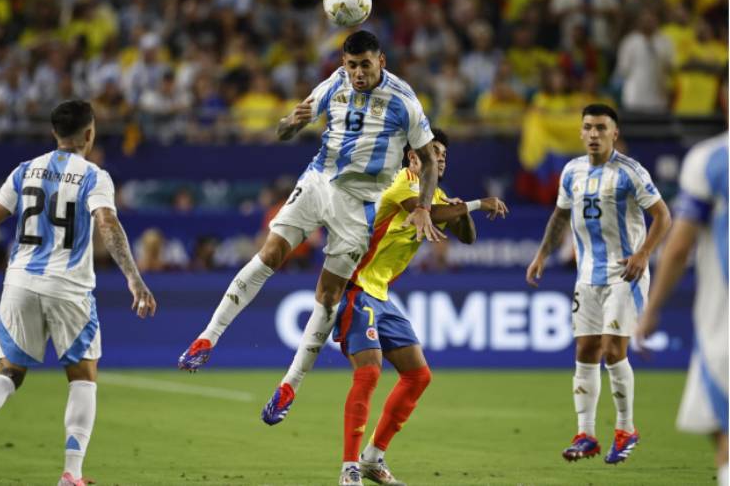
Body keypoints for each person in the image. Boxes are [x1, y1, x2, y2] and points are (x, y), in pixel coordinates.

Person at [177, 31, 443, 393]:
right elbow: (283, 129)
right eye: (352, 65)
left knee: (330, 295)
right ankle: (208, 337)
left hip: (359, 203)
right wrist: (291, 123)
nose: (358, 73)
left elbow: (428, 159)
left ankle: (290, 384)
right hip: (319, 180)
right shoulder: (335, 83)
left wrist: (425, 208)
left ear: (381, 61)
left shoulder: (404, 102)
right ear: (343, 65)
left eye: (366, 64)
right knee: (270, 253)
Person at [265, 128, 508, 485]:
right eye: (433, 151)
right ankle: (348, 468)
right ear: (413, 157)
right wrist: (473, 204)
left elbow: (467, 237)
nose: (440, 158)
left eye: (443, 154)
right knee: (369, 372)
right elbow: (429, 211)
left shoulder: (435, 194)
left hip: (380, 294)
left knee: (418, 375)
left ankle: (373, 458)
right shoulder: (400, 183)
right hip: (354, 286)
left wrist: (459, 209)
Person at [0, 100, 157, 486]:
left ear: (54, 133)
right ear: (89, 134)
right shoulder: (94, 175)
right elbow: (106, 222)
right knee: (83, 376)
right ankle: (71, 473)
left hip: (19, 282)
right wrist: (134, 278)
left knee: (8, 373)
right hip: (69, 286)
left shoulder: (24, 171)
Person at [526, 103, 671, 464]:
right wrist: (542, 254)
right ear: (580, 132)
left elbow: (663, 216)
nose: (594, 134)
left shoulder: (630, 172)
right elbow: (560, 214)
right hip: (587, 275)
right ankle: (586, 435)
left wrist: (643, 254)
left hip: (626, 272)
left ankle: (626, 429)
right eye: (588, 127)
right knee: (586, 351)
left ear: (614, 133)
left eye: (601, 128)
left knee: (611, 349)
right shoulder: (572, 171)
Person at [636, 131, 728, 485]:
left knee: (725, 438)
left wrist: (651, 309)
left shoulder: (711, 160)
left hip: (723, 326)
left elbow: (678, 247)